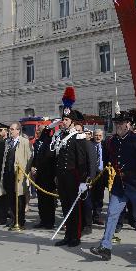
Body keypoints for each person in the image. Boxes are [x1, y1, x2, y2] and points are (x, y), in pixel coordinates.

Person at [90, 110, 136, 260]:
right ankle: (105, 247)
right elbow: (107, 160)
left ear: (128, 124)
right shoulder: (112, 141)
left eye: (120, 123)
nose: (117, 126)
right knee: (112, 214)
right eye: (116, 123)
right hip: (120, 184)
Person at [51, 105, 88, 247]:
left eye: (66, 119)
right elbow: (57, 157)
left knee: (75, 207)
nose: (64, 122)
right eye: (63, 119)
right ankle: (67, 235)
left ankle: (76, 236)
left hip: (73, 176)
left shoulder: (78, 136)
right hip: (62, 176)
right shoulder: (60, 136)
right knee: (65, 206)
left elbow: (82, 161)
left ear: (72, 122)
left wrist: (83, 180)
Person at [0, 122, 33, 228]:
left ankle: (20, 221)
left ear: (18, 130)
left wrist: (25, 172)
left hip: (19, 175)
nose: (11, 131)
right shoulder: (8, 142)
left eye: (13, 129)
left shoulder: (24, 141)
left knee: (19, 198)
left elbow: (29, 158)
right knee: (10, 198)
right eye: (10, 129)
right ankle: (14, 219)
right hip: (8, 173)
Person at [31, 124, 56, 229]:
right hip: (39, 175)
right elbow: (35, 157)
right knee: (41, 199)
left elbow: (52, 159)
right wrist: (33, 166)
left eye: (39, 131)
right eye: (37, 131)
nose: (37, 133)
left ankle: (49, 222)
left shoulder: (50, 142)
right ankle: (43, 220)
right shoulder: (37, 143)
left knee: (49, 200)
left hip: (48, 175)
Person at [91, 129, 107, 225]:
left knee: (99, 196)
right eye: (96, 135)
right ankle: (90, 215)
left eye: (100, 136)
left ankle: (97, 216)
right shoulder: (89, 145)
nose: (98, 137)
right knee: (91, 196)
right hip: (91, 174)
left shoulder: (105, 146)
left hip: (101, 174)